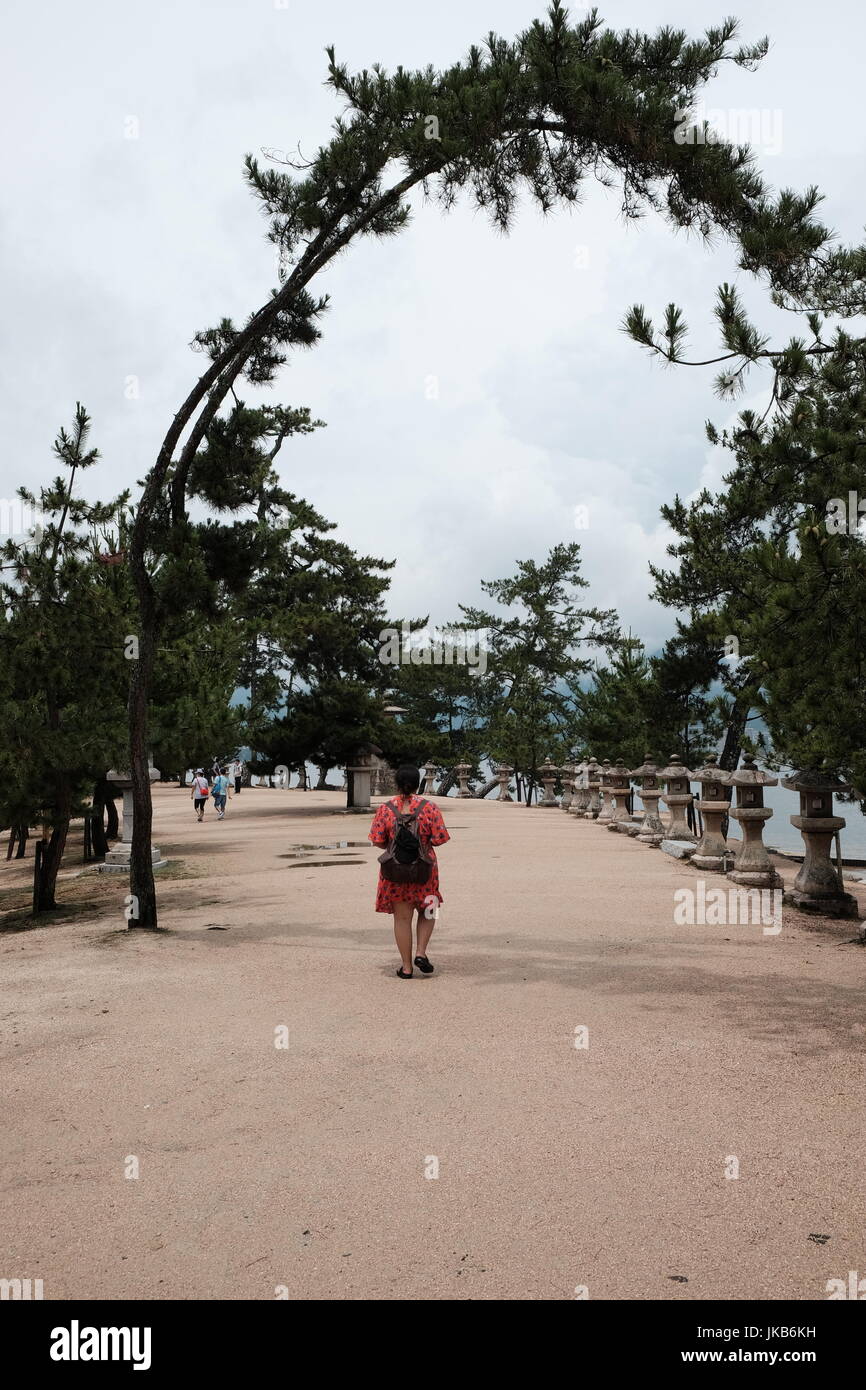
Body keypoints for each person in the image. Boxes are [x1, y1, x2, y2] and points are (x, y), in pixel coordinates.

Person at [368, 764, 450, 979]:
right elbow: (440, 838)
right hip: (425, 871)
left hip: (395, 873)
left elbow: (377, 840)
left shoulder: (385, 809)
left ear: (397, 783)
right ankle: (421, 952)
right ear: (417, 783)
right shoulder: (430, 807)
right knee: (430, 910)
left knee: (402, 919)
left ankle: (406, 967)